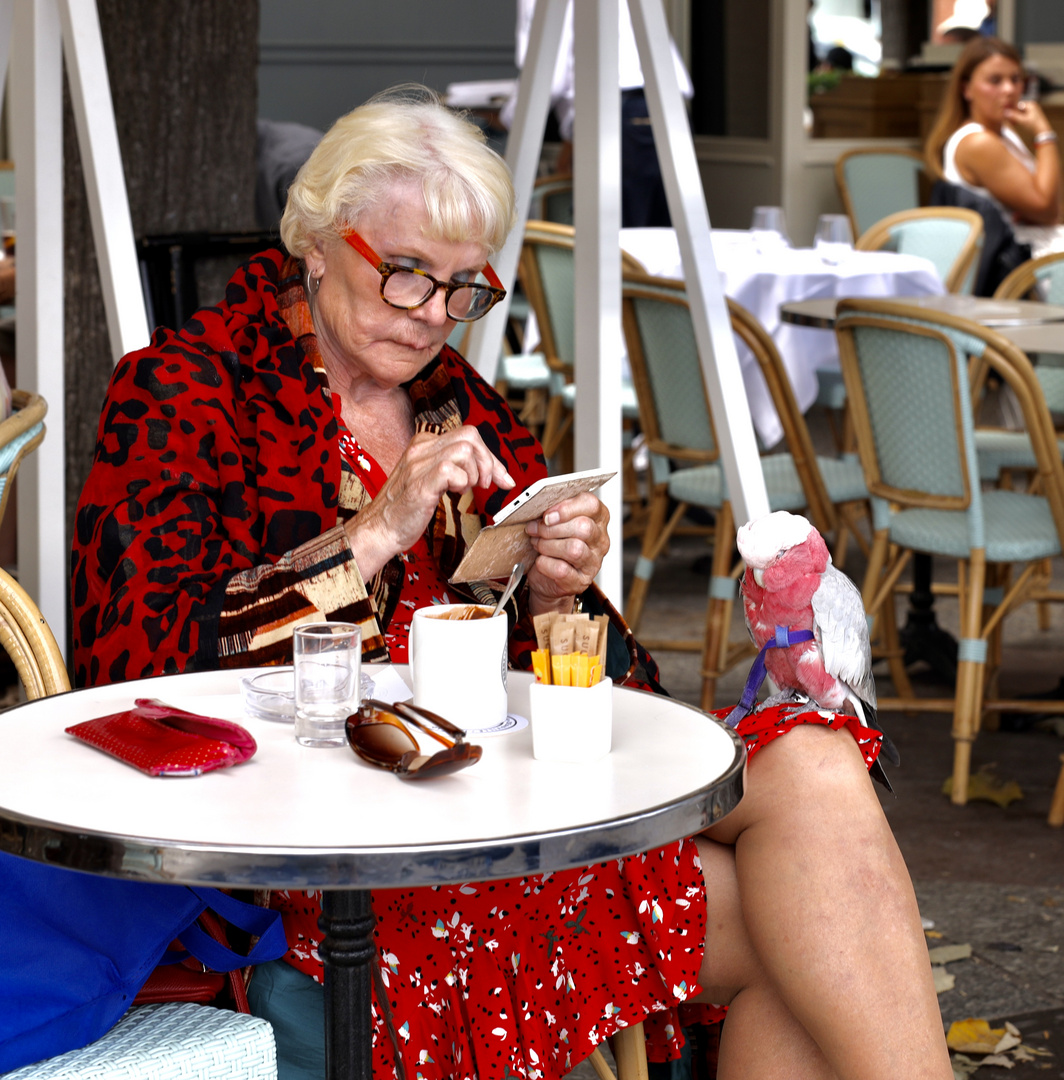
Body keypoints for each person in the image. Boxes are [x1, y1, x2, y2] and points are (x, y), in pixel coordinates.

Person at [71, 86, 951, 1080]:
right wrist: (370, 532)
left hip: (506, 818)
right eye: (405, 277)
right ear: (315, 242)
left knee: (812, 765)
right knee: (807, 951)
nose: (433, 319)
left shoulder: (463, 408)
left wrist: (555, 598)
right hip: (328, 865)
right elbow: (136, 666)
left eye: (463, 288)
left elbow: (618, 697)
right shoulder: (186, 389)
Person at [499, 0, 693, 228]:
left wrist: (506, 118)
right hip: (668, 106)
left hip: (613, 112)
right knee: (667, 238)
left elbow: (548, 74)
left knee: (618, 242)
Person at [925, 36, 1064, 258]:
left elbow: (1051, 206)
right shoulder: (978, 143)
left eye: (1016, 79)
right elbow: (1048, 210)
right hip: (1021, 267)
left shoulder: (1006, 133)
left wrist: (1040, 209)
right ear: (966, 89)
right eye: (995, 80)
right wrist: (1043, 133)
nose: (1009, 89)